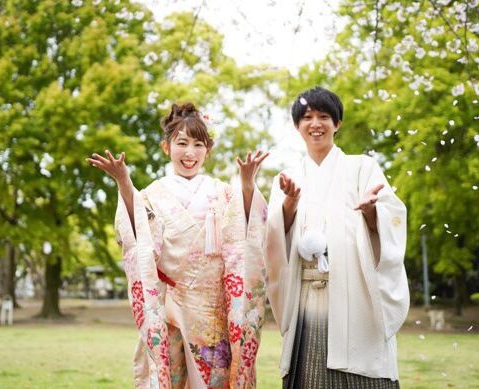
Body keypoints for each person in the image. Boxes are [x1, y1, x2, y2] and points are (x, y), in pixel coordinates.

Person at [87, 103, 269, 388]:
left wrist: (247, 185)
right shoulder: (152, 194)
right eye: (181, 143)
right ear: (166, 147)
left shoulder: (223, 193)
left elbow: (245, 236)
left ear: (208, 150)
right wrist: (123, 182)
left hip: (212, 310)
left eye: (198, 144)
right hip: (169, 305)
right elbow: (137, 237)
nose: (189, 153)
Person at [264, 87, 410, 388]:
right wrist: (289, 203)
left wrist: (371, 212)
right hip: (306, 295)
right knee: (309, 374)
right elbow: (275, 238)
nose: (315, 124)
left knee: (362, 369)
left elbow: (391, 218)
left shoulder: (363, 167)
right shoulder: (288, 176)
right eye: (307, 117)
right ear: (297, 126)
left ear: (337, 123)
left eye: (324, 117)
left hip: (355, 289)